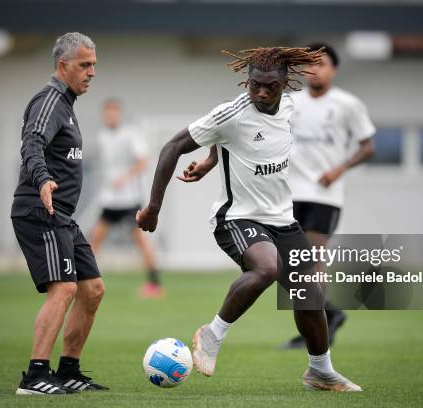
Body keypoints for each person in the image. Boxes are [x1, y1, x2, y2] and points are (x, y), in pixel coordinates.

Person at [137, 47, 362, 391]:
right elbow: (172, 146)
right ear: (247, 82)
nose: (261, 93)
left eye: (270, 86)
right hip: (237, 218)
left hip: (282, 219)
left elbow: (230, 143)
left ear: (285, 84)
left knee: (311, 294)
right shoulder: (231, 113)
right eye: (254, 85)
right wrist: (154, 207)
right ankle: (212, 336)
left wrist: (213, 159)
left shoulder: (292, 107)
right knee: (268, 268)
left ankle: (320, 370)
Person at [11, 32, 108, 395]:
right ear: (62, 65)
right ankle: (35, 376)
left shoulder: (67, 104)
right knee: (64, 288)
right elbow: (32, 142)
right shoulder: (49, 101)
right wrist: (43, 179)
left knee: (92, 289)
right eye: (85, 65)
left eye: (94, 65)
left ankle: (68, 371)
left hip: (63, 215)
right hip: (41, 209)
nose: (92, 72)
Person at [281, 42, 375, 349]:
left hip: (325, 196)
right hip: (291, 196)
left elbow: (367, 146)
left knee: (312, 263)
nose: (314, 69)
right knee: (289, 267)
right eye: (308, 64)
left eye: (320, 63)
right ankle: (328, 315)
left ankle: (316, 332)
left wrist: (340, 168)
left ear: (333, 69)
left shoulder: (347, 104)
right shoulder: (290, 102)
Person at [89, 99, 163, 298]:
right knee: (95, 238)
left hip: (129, 198)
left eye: (114, 112)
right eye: (107, 113)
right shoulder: (101, 136)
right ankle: (86, 281)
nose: (111, 116)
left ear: (119, 114)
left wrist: (125, 177)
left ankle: (155, 284)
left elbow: (143, 161)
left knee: (140, 240)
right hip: (109, 199)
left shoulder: (130, 134)